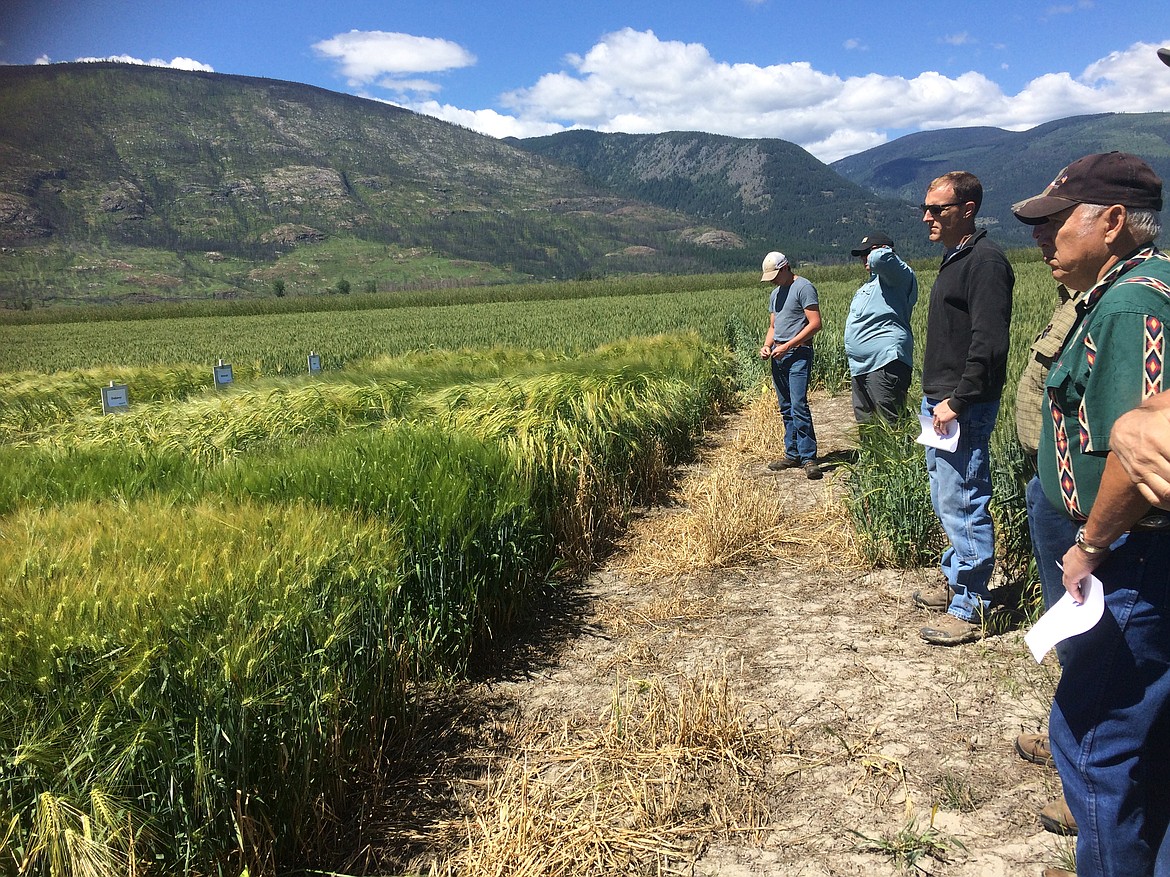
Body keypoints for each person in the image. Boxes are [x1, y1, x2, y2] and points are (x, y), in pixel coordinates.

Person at [1012, 150, 1170, 877]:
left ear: (1112, 222)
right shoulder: (1115, 288)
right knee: (1140, 736)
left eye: (1054, 223)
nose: (1042, 239)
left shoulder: (1133, 300)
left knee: (1093, 739)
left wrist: (1090, 543)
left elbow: (1137, 456)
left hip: (1125, 557)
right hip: (1118, 551)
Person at [913, 171, 1015, 646]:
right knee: (945, 494)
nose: (927, 216)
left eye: (938, 209)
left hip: (960, 404)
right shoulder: (957, 258)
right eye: (926, 208)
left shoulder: (986, 262)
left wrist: (959, 399)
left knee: (965, 497)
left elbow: (989, 343)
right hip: (942, 400)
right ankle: (957, 579)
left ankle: (970, 604)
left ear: (967, 209)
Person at [759, 250, 823, 480]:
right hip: (779, 355)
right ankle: (792, 452)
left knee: (798, 405)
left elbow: (815, 324)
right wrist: (767, 346)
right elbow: (773, 327)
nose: (773, 280)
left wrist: (789, 346)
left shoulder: (804, 287)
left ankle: (809, 457)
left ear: (786, 267)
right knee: (785, 406)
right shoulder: (775, 294)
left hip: (798, 353)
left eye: (775, 275)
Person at [844, 232, 919, 423]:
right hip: (861, 367)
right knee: (868, 426)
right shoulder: (871, 284)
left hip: (885, 362)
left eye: (867, 252)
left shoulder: (898, 276)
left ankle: (898, 454)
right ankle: (874, 454)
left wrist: (881, 250)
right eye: (861, 255)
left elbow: (880, 259)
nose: (864, 258)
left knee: (891, 424)